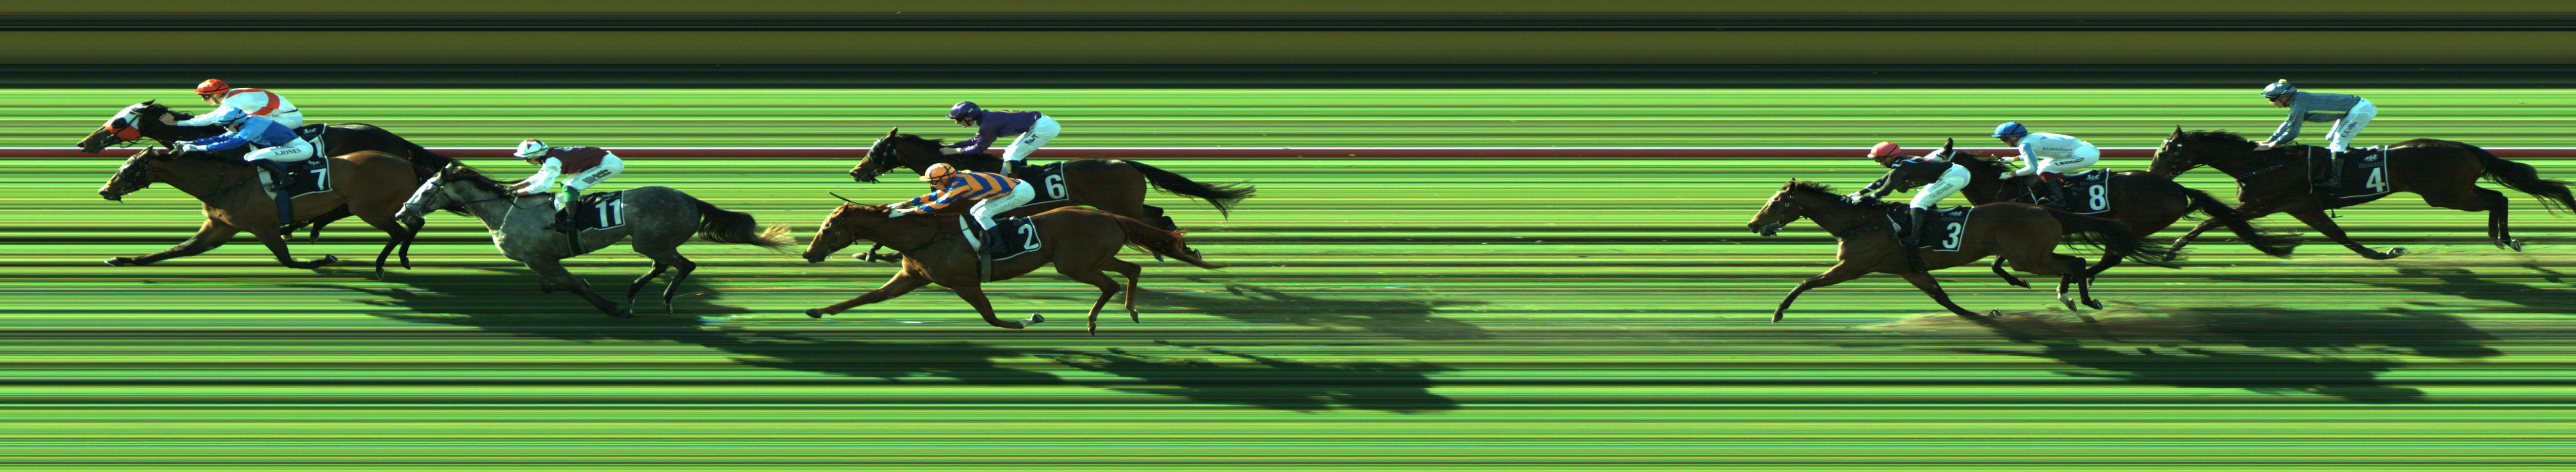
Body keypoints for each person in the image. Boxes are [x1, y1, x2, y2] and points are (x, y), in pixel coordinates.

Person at [177, 114, 312, 227]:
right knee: (250, 156)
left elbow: (230, 144)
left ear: (235, 123)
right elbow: (221, 138)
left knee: (252, 157)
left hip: (299, 149)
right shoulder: (244, 123)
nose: (225, 128)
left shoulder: (252, 126)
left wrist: (199, 149)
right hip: (286, 147)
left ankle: (285, 177)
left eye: (226, 126)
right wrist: (192, 143)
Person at [888, 162, 1035, 257]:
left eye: (934, 182)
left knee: (982, 214)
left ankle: (1000, 244)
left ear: (944, 179)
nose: (932, 185)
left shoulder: (960, 185)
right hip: (1014, 188)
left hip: (1020, 192)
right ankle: (997, 232)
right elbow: (935, 195)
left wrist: (908, 212)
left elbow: (940, 204)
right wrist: (906, 203)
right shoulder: (955, 179)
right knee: (975, 212)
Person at [1845, 141, 1971, 248]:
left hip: (1955, 176)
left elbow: (1885, 191)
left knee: (1919, 202)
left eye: (1878, 160)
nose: (1879, 163)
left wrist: (1861, 199)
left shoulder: (1900, 168)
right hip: (1953, 174)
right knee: (1921, 201)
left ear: (1888, 158)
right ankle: (1929, 223)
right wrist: (1858, 193)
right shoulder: (1901, 163)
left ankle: (1915, 238)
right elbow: (1881, 181)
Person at [506, 139, 625, 233]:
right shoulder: (550, 157)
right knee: (566, 185)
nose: (526, 161)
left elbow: (543, 186)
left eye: (527, 158)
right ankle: (573, 212)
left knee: (569, 188)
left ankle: (570, 221)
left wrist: (518, 193)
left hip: (609, 164)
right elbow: (537, 178)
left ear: (536, 156)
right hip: (601, 162)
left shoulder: (552, 162)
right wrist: (513, 188)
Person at [1990, 121, 2099, 207]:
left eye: (2004, 139)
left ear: (2013, 138)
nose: (2003, 142)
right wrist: (2014, 159)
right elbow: (2034, 154)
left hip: (2085, 155)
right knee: (2043, 166)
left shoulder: (2025, 145)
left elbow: (2031, 169)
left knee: (2045, 169)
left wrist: (2011, 174)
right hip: (2085, 150)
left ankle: (2059, 200)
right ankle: (2059, 189)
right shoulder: (2030, 139)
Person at [2255, 79, 2375, 154]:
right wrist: (2269, 140)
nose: (2271, 103)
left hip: (2361, 110)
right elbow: (2288, 124)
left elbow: (2292, 132)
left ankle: (2335, 180)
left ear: (2284, 98)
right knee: (2331, 138)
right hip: (2358, 107)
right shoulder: (2298, 99)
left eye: (2272, 100)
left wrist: (2273, 145)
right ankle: (2350, 157)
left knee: (2338, 143)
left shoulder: (2299, 107)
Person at [944, 101, 1060, 176]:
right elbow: (975, 141)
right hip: (1041, 125)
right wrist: (952, 146)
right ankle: (1025, 176)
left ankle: (1017, 186)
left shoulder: (988, 124)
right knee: (1010, 152)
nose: (956, 123)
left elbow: (979, 148)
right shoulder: (986, 119)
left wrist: (957, 151)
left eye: (958, 119)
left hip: (1044, 128)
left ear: (969, 117)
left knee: (1011, 156)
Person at [178, 79, 304, 129]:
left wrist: (177, 123)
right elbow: (213, 115)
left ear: (216, 94)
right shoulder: (232, 96)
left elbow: (210, 119)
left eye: (205, 97)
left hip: (288, 119)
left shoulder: (233, 100)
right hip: (277, 116)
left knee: (244, 128)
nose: (203, 100)